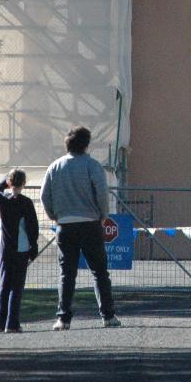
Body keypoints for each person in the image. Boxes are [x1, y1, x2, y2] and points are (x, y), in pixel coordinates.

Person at [40, 125, 119, 330]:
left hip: (65, 225)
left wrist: (55, 216)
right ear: (86, 144)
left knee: (67, 273)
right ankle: (108, 315)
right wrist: (104, 215)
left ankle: (63, 318)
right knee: (100, 271)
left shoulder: (54, 166)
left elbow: (44, 196)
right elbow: (102, 192)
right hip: (90, 223)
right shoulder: (92, 165)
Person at [0, 169, 39, 334]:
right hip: (22, 246)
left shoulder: (2, 199)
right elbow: (33, 228)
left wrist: (6, 180)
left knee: (4, 284)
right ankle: (12, 323)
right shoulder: (26, 202)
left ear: (10, 183)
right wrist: (34, 247)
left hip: (5, 247)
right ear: (24, 184)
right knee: (17, 286)